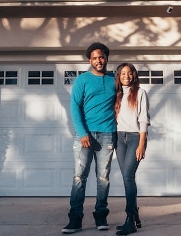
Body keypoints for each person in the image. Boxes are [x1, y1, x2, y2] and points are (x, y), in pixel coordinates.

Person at [62, 42, 117, 234]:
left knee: (103, 179)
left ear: (106, 57)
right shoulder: (82, 80)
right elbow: (74, 108)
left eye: (101, 57)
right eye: (94, 58)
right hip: (84, 135)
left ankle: (101, 215)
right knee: (79, 178)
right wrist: (83, 133)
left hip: (107, 134)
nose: (98, 60)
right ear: (89, 61)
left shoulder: (114, 79)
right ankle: (75, 218)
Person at [113, 62, 150, 235]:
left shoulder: (140, 93)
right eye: (122, 73)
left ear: (133, 75)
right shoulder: (117, 94)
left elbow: (143, 119)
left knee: (128, 176)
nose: (126, 76)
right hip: (119, 138)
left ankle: (130, 220)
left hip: (135, 137)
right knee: (127, 178)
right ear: (118, 77)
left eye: (129, 73)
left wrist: (142, 144)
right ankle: (135, 216)